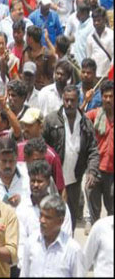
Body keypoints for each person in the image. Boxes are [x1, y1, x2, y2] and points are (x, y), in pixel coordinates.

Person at [42, 84, 100, 230]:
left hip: (74, 181)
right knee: (50, 216)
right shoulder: (51, 120)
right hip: (53, 180)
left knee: (70, 219)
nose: (69, 104)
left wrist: (92, 171)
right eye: (66, 100)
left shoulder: (86, 123)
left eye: (72, 100)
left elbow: (93, 149)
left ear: (77, 100)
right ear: (63, 99)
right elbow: (42, 147)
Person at [16, 159, 73, 273]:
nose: (35, 185)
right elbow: (21, 244)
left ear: (48, 182)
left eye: (40, 181)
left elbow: (66, 239)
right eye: (33, 181)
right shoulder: (22, 208)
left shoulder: (61, 207)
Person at [21, 194, 85, 277]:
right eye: (41, 215)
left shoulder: (72, 250)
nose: (42, 220)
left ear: (60, 221)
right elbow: (24, 274)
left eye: (47, 217)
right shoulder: (31, 242)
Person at [85, 79, 113, 226]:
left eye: (111, 96)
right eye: (105, 96)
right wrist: (86, 101)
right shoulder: (95, 115)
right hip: (96, 171)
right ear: (101, 97)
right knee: (95, 213)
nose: (108, 99)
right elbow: (77, 119)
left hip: (112, 173)